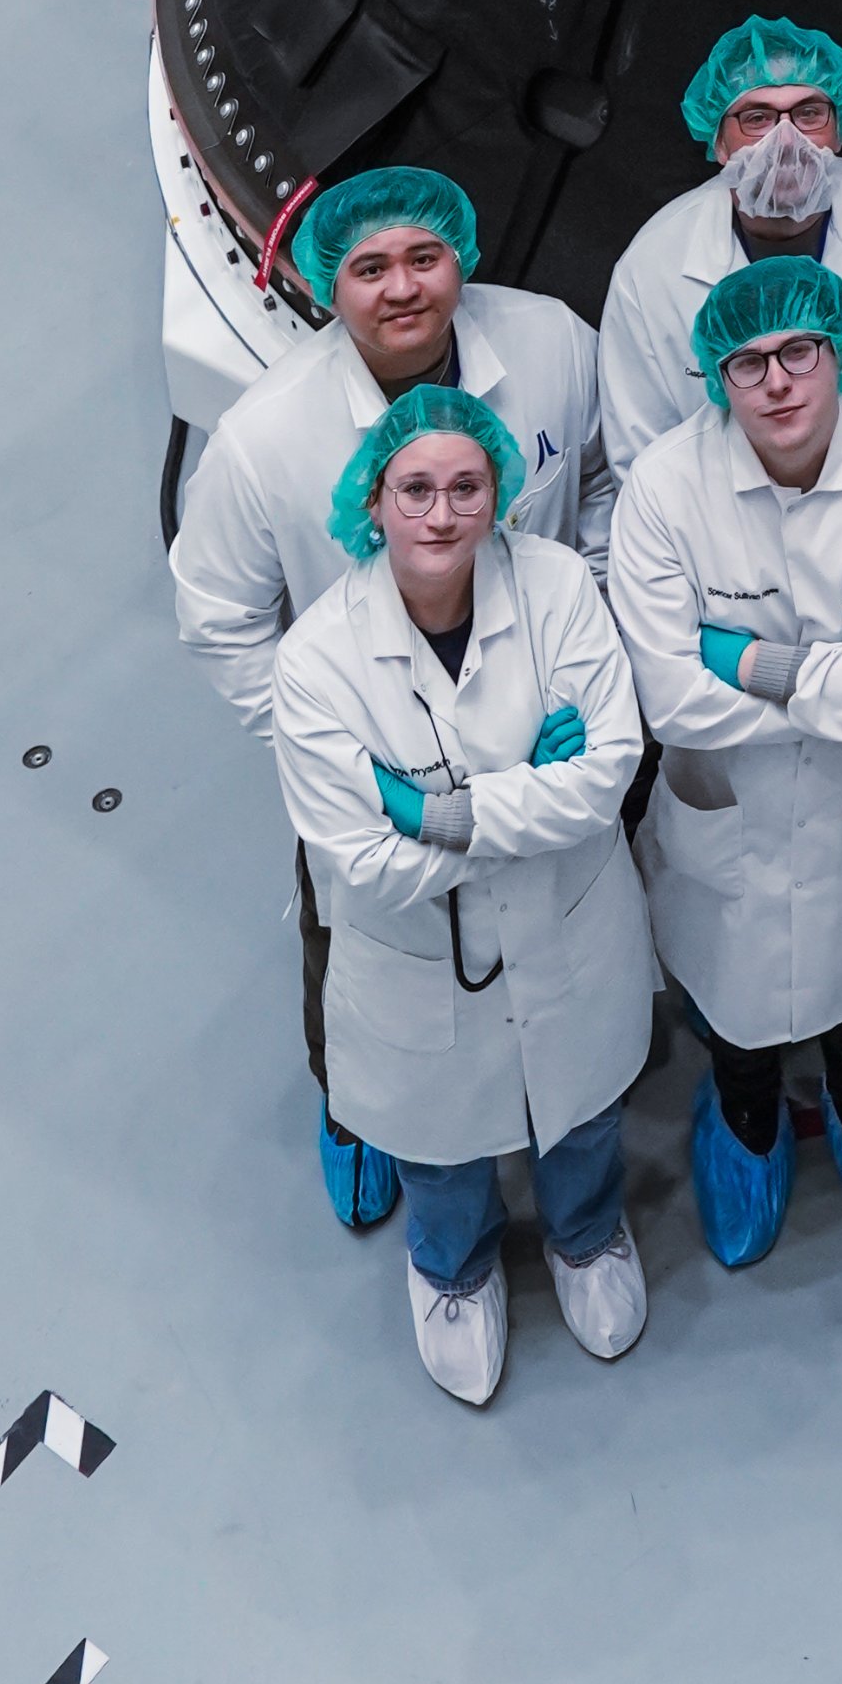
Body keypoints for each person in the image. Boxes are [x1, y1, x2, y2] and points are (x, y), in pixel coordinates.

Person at [169, 164, 611, 1232]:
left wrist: (581, 648)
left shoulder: (551, 344)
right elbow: (218, 615)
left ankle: (566, 1119)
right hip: (369, 754)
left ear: (465, 255)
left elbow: (600, 483)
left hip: (538, 726)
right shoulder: (268, 435)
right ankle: (354, 1106)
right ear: (329, 285)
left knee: (573, 922)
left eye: (423, 256)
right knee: (355, 943)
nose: (401, 287)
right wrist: (327, 753)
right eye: (369, 267)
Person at [273, 385, 654, 1405]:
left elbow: (609, 771)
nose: (440, 513)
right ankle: (453, 1270)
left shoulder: (559, 586)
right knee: (439, 1148)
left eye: (465, 486)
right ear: (374, 500)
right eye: (415, 489)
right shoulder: (316, 663)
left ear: (499, 494)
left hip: (570, 932)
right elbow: (363, 863)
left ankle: (583, 1235)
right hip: (412, 965)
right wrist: (528, 788)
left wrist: (437, 811)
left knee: (583, 1116)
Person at [608, 255, 842, 1265]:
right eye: (746, 362)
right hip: (728, 816)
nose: (775, 380)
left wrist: (754, 666)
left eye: (798, 351)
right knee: (734, 1000)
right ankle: (746, 1117)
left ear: (839, 354)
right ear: (715, 379)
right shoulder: (665, 486)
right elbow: (668, 697)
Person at [597, 17, 842, 468]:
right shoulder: (653, 267)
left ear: (839, 128)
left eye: (809, 113)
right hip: (722, 524)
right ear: (718, 141)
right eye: (758, 118)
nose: (787, 140)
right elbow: (642, 457)